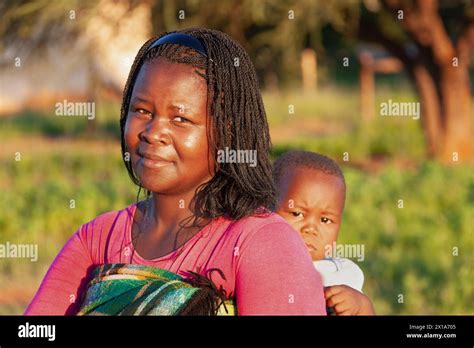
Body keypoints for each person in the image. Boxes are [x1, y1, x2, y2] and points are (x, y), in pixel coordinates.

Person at [25, 29, 326, 316]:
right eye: (142, 111)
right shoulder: (97, 240)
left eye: (180, 118)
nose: (153, 133)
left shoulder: (261, 244)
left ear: (226, 132)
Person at [273, 150, 375, 315]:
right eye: (297, 214)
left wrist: (362, 307)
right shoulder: (257, 263)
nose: (311, 229)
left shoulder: (342, 275)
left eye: (325, 220)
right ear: (265, 209)